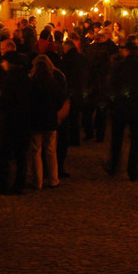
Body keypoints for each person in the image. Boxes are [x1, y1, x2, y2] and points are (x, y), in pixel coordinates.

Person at [106, 39, 138, 181]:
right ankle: (133, 171)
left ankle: (114, 166)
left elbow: (111, 86)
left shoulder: (119, 67)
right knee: (136, 141)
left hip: (120, 107)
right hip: (137, 108)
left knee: (117, 138)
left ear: (126, 51)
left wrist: (112, 102)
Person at [27, 54, 67, 189]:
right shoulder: (53, 83)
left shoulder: (32, 83)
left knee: (36, 150)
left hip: (35, 120)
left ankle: (37, 181)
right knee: (51, 150)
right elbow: (60, 101)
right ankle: (53, 179)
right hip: (50, 119)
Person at [0, 50, 32, 194]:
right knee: (20, 155)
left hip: (10, 121)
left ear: (10, 63)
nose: (2, 64)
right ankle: (19, 184)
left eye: (4, 61)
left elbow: (7, 101)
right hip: (24, 120)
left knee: (4, 154)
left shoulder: (10, 79)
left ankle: (3, 184)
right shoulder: (26, 78)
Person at [56, 39, 89, 177]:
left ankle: (71, 138)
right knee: (76, 115)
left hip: (70, 91)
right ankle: (75, 138)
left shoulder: (67, 60)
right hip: (80, 90)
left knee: (70, 116)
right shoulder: (82, 58)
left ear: (67, 48)